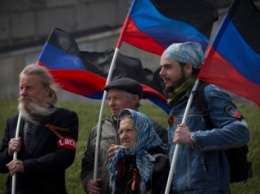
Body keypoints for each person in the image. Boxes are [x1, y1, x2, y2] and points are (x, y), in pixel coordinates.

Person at [159, 41, 250, 194]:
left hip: (208, 189)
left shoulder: (209, 93)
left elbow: (241, 131)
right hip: (179, 189)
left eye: (168, 67)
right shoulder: (178, 101)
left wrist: (194, 138)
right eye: (161, 67)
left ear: (188, 68)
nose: (161, 72)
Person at [0, 64, 79, 194]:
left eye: (29, 88)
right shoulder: (13, 122)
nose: (23, 93)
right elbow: (1, 165)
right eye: (21, 88)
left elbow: (65, 156)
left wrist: (26, 166)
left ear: (46, 90)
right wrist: (9, 152)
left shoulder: (64, 117)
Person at [80, 77, 168, 194]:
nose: (111, 104)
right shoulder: (98, 130)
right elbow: (87, 165)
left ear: (134, 99)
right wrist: (88, 182)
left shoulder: (154, 128)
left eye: (116, 98)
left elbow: (165, 162)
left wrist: (130, 153)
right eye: (109, 98)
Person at [109, 108, 170, 194]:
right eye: (121, 132)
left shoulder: (158, 161)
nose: (124, 136)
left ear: (142, 131)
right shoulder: (121, 162)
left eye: (128, 130)